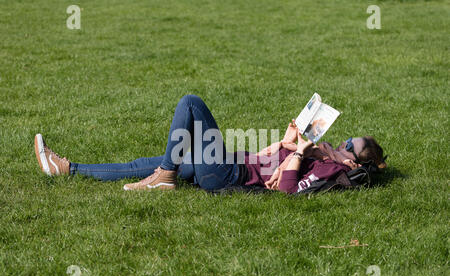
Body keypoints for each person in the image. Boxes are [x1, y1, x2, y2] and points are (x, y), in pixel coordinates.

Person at [34, 95, 387, 194]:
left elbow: (289, 189)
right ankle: (67, 169)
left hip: (226, 175)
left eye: (348, 146)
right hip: (232, 162)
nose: (340, 143)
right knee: (154, 162)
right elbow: (263, 158)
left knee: (191, 105)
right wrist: (285, 142)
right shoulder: (318, 152)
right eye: (345, 139)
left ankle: (166, 178)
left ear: (355, 162)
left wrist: (298, 153)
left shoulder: (330, 167)